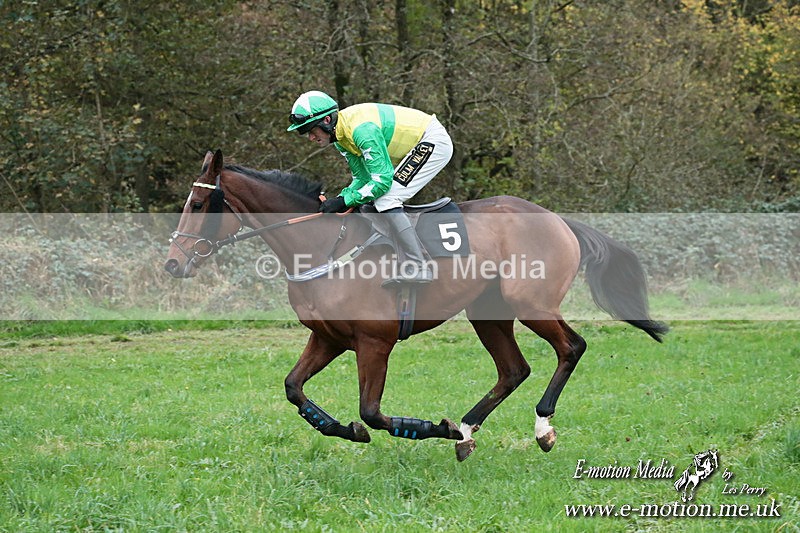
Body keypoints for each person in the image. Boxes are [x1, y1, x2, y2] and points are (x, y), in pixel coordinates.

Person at [287, 90, 453, 284]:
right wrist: (340, 198)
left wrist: (344, 201)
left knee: (386, 198)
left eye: (311, 130)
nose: (311, 137)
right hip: (418, 143)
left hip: (433, 141)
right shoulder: (341, 139)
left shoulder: (362, 131)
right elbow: (362, 178)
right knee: (372, 200)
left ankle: (418, 266)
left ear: (326, 121)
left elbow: (381, 181)